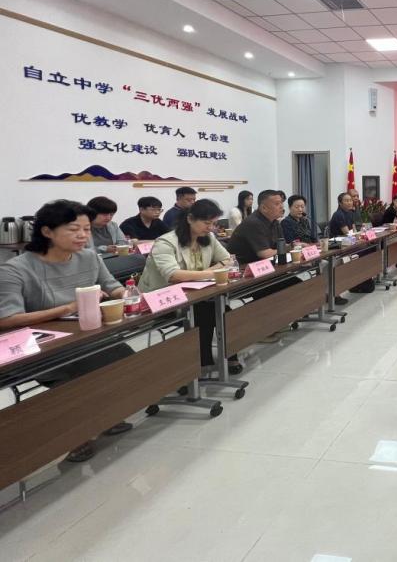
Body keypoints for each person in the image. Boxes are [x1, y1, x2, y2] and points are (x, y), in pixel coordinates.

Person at [0, 200, 133, 462]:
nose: (83, 235)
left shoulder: (89, 257)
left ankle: (107, 415)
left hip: (85, 336)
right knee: (74, 380)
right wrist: (68, 308)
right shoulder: (16, 269)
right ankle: (74, 435)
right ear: (47, 231)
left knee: (124, 359)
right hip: (41, 348)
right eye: (74, 229)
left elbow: (111, 285)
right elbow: (7, 319)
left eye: (86, 229)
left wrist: (126, 294)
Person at [138, 199, 233, 372]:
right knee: (207, 312)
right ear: (190, 219)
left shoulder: (208, 237)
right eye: (206, 223)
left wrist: (207, 272)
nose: (211, 228)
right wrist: (212, 273)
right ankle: (202, 363)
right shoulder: (166, 242)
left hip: (195, 295)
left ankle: (229, 354)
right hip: (163, 300)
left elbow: (227, 259)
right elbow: (174, 275)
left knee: (223, 310)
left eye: (213, 223)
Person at [227, 189, 285, 264]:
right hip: (242, 267)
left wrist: (293, 246)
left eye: (281, 203)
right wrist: (286, 249)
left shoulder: (275, 222)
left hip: (263, 264)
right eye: (277, 204)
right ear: (264, 208)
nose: (281, 207)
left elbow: (281, 246)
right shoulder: (253, 223)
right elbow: (264, 254)